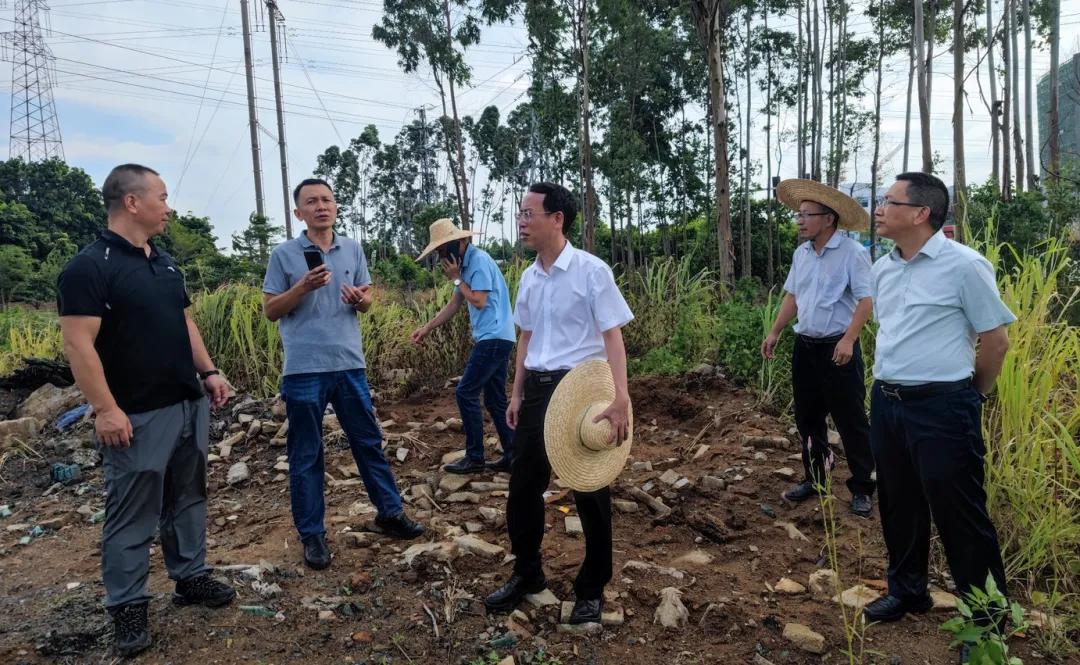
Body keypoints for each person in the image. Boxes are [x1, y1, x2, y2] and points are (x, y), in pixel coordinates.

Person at [58, 164, 236, 657]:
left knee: (188, 496)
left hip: (186, 404)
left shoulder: (165, 263)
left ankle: (190, 576)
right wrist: (105, 409)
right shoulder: (89, 267)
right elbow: (78, 345)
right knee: (132, 511)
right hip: (135, 414)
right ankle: (128, 605)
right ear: (132, 202)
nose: (168, 206)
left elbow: (185, 324)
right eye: (161, 196)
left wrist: (209, 372)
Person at [863, 172, 1014, 665]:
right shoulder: (883, 267)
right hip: (888, 402)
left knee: (961, 514)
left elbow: (995, 340)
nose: (880, 208)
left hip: (944, 406)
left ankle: (987, 621)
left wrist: (974, 397)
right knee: (898, 503)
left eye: (890, 201)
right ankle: (908, 591)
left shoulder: (964, 267)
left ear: (921, 213)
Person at [484, 182, 633, 625]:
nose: (522, 221)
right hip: (538, 391)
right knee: (523, 486)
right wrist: (515, 392)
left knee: (590, 490)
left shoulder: (591, 271)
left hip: (582, 390)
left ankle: (592, 588)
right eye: (520, 214)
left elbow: (613, 336)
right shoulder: (529, 276)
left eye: (529, 213)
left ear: (557, 219)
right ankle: (527, 574)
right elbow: (525, 336)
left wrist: (621, 396)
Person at [262, 178, 424, 571]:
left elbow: (367, 301)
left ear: (336, 207)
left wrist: (360, 299)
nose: (322, 206)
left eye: (328, 200)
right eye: (312, 202)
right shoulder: (284, 255)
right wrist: (302, 287)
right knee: (306, 453)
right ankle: (312, 534)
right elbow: (270, 310)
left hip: (350, 364)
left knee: (368, 442)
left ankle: (389, 512)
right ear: (298, 213)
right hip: (304, 369)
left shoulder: (352, 248)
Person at [762, 180, 877, 517]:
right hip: (806, 347)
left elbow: (866, 300)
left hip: (837, 348)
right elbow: (793, 297)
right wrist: (774, 331)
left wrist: (849, 339)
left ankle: (862, 486)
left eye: (806, 215)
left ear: (829, 219)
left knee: (850, 419)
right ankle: (816, 479)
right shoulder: (802, 254)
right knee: (808, 418)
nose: (799, 220)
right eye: (798, 215)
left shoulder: (852, 253)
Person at [411, 218, 517, 473]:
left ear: (459, 242)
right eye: (437, 251)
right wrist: (427, 328)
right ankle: (513, 457)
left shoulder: (477, 261)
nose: (440, 255)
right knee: (495, 400)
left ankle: (475, 457)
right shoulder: (467, 265)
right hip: (497, 338)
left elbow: (478, 300)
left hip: (493, 338)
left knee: (465, 393)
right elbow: (455, 304)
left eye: (441, 249)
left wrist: (457, 278)